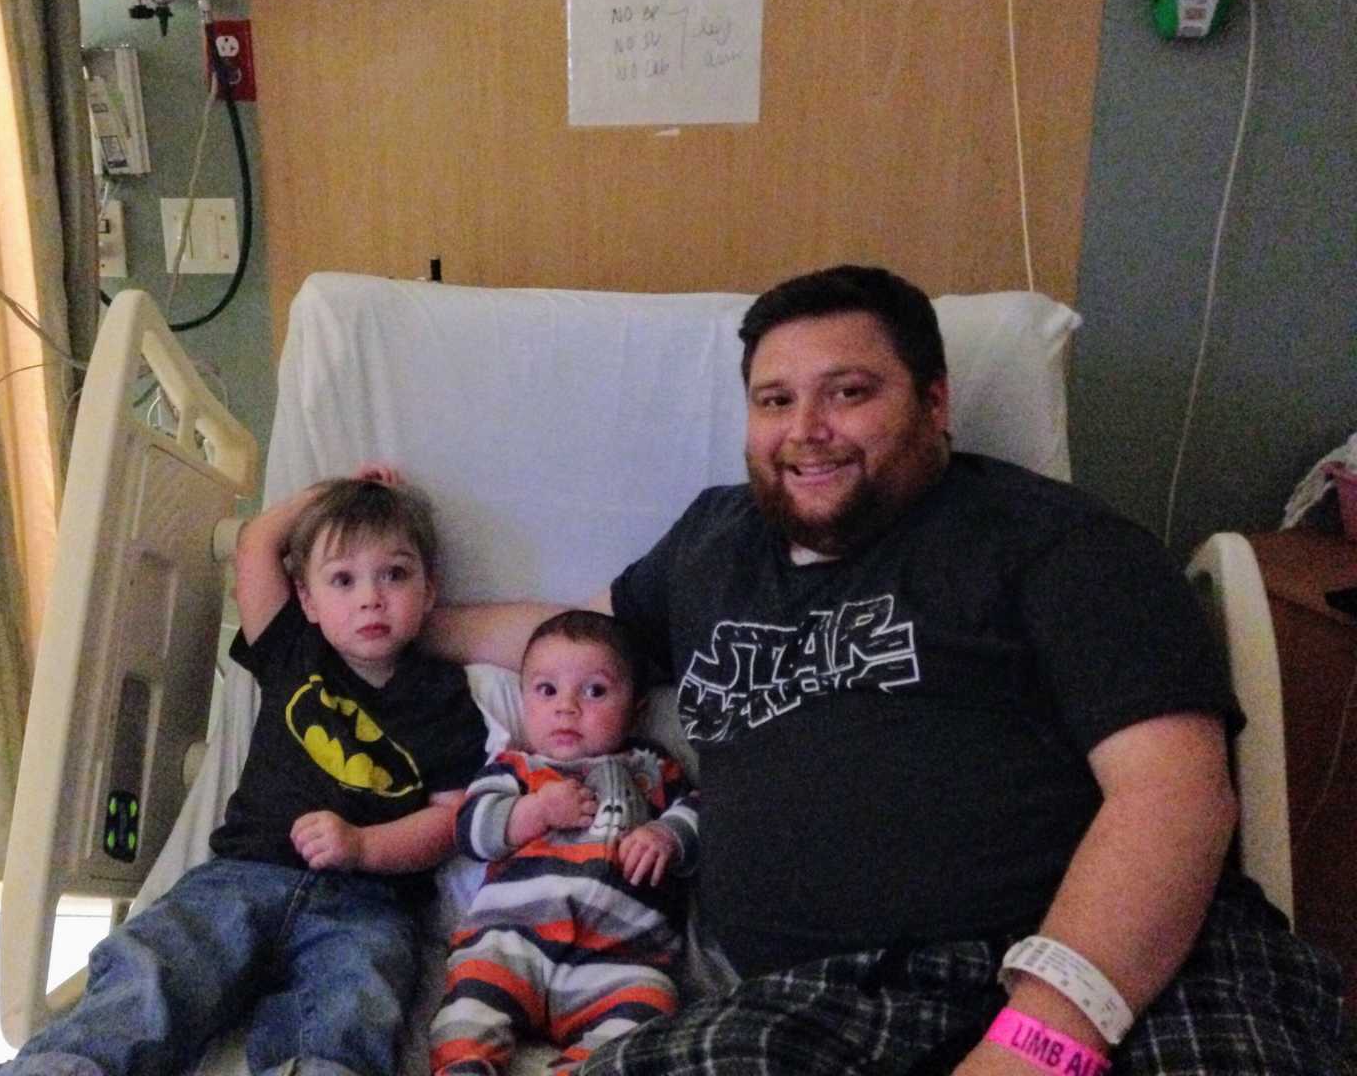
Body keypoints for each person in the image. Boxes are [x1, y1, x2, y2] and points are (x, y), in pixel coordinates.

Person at [425, 267, 1346, 1075]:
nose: (806, 431)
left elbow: (1174, 796)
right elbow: (573, 634)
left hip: (1116, 966)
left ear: (934, 402)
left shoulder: (1058, 545)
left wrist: (1041, 1043)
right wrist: (402, 624)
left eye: (849, 393)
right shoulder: (714, 545)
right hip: (818, 1002)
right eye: (774, 400)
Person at [0, 469, 488, 1076]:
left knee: (354, 1008)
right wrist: (332, 495)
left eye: (396, 574)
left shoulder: (444, 699)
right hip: (239, 878)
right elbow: (257, 545)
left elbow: (448, 820)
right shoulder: (293, 651)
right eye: (342, 578)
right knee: (154, 971)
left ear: (430, 590)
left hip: (368, 906)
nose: (370, 597)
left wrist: (365, 846)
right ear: (307, 598)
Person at [430, 610, 700, 1076]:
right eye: (546, 690)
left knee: (653, 1008)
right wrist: (533, 812)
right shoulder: (516, 768)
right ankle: (465, 1068)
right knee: (467, 1006)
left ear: (636, 708)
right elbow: (470, 830)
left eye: (595, 691)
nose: (567, 707)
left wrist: (666, 834)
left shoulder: (652, 769)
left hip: (618, 958)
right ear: (524, 700)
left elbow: (700, 812)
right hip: (512, 943)